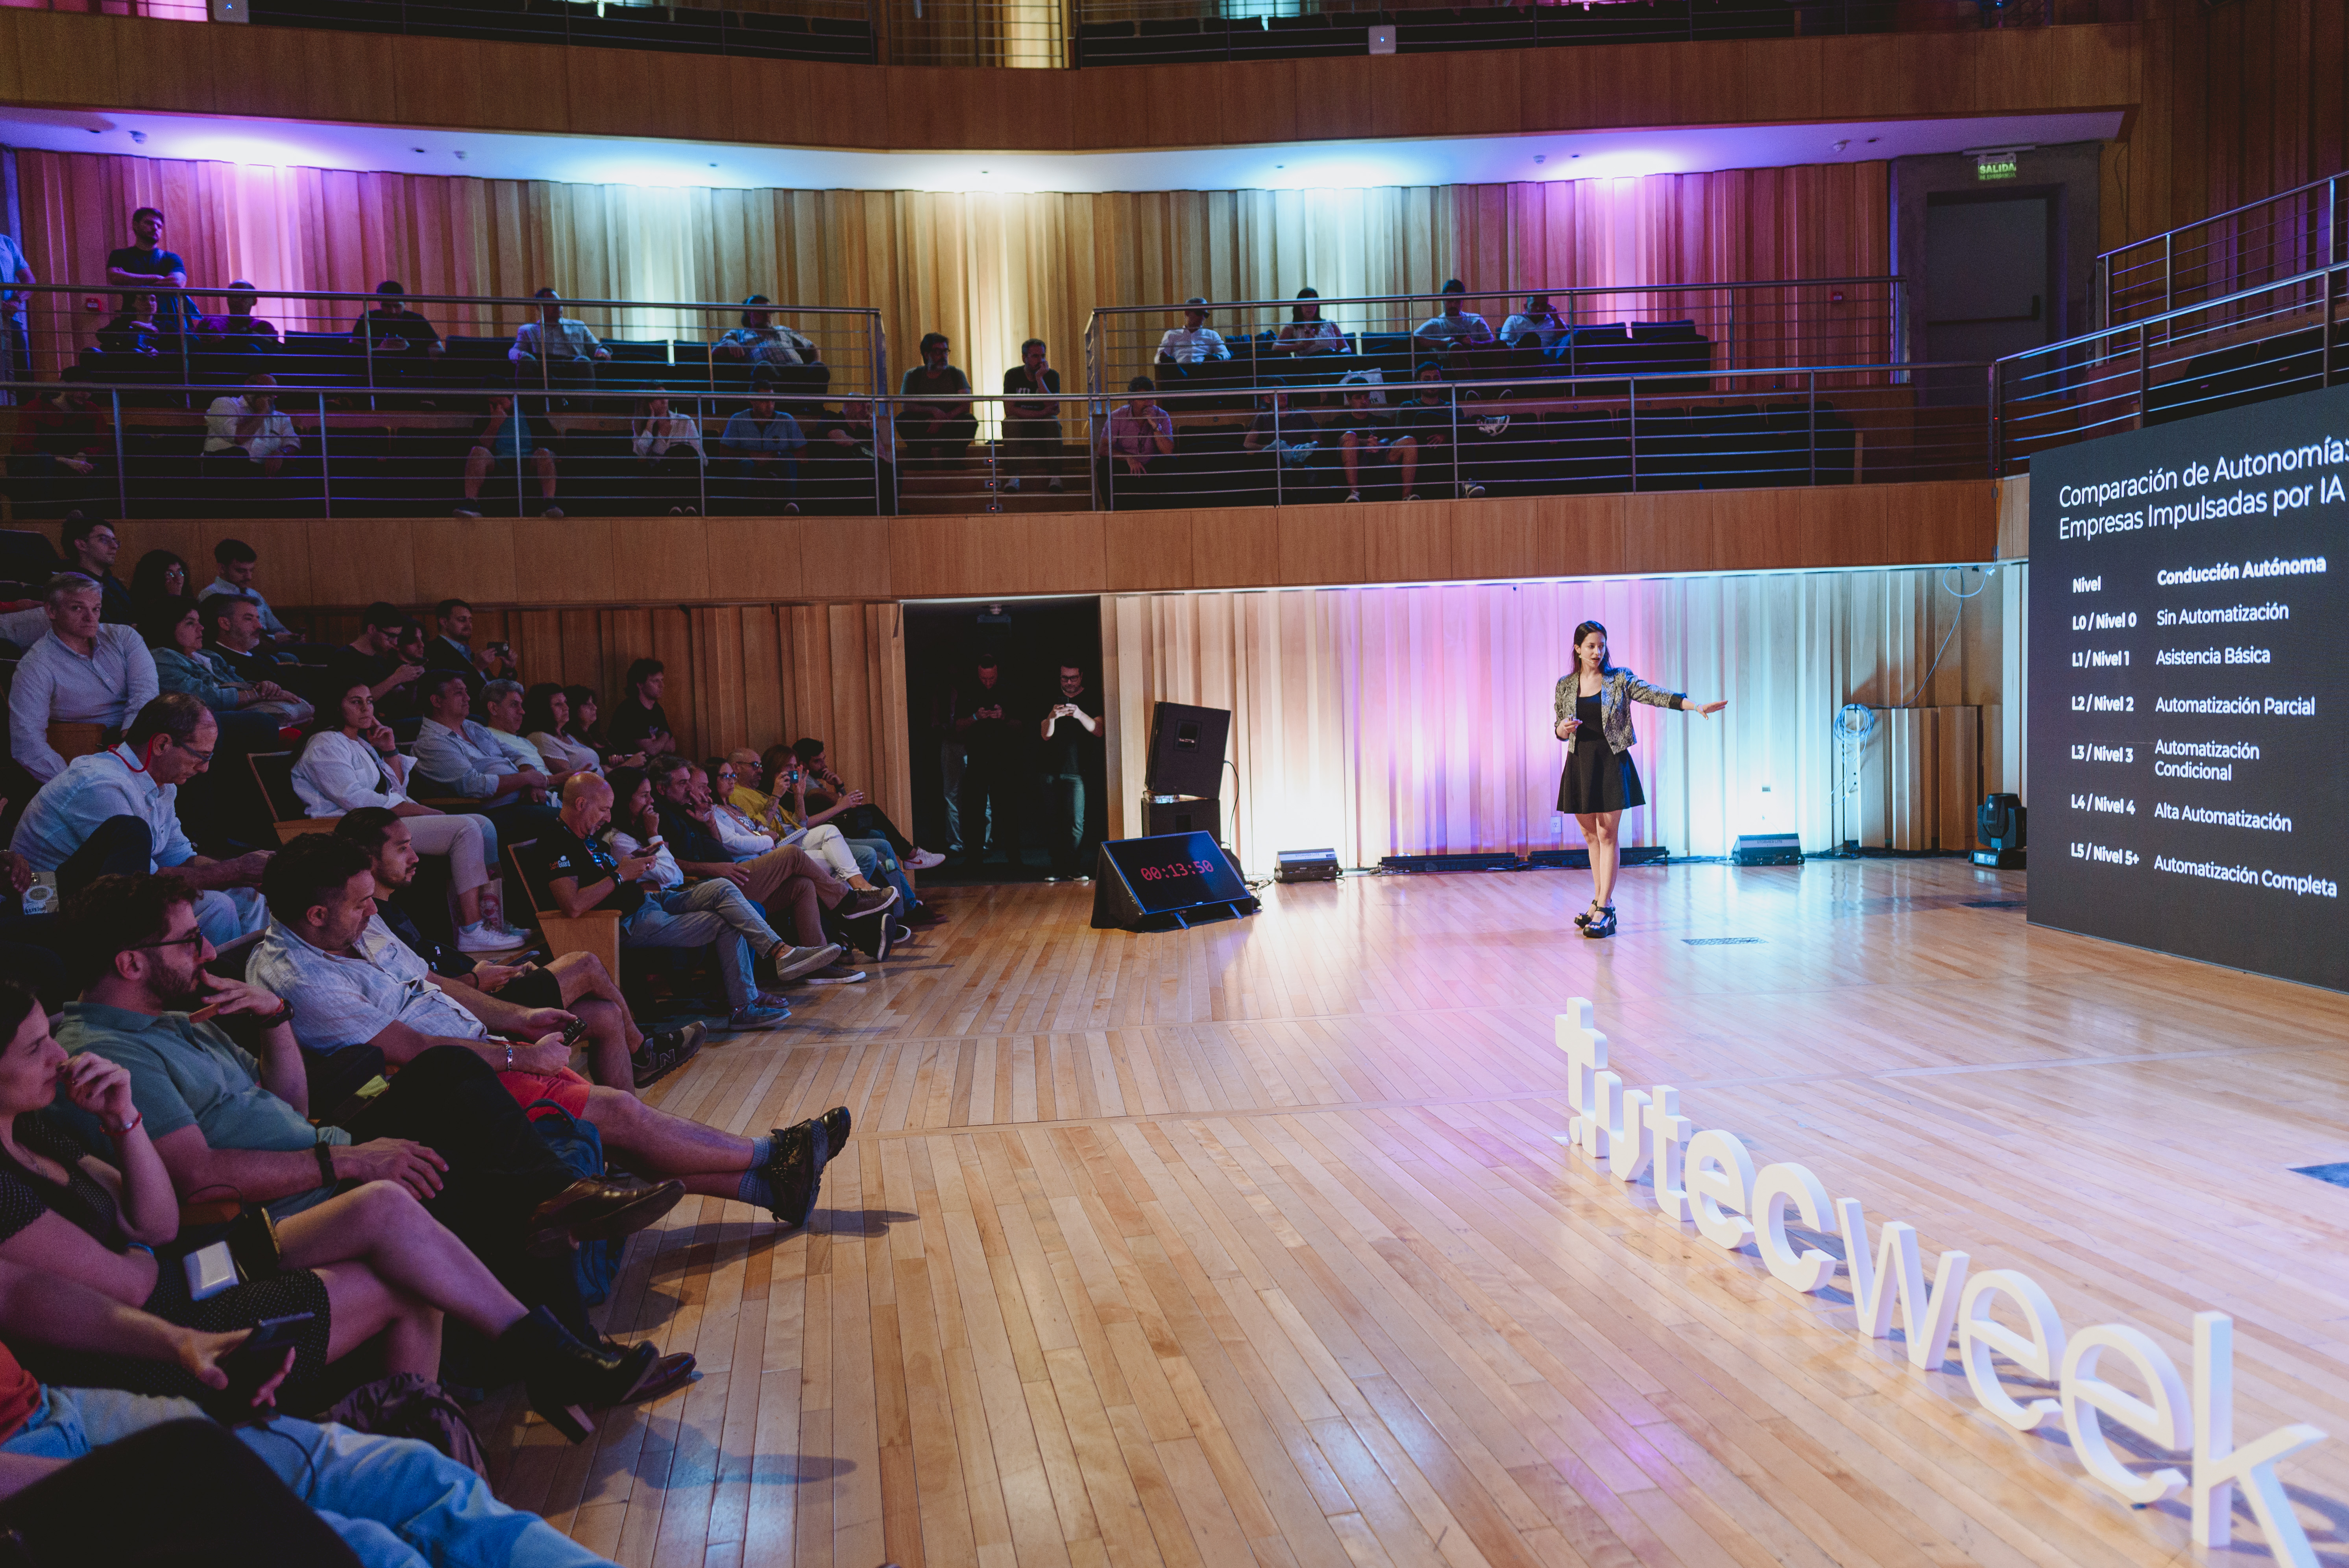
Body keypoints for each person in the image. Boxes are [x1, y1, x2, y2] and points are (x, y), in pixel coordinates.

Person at [59, 869, 699, 1410]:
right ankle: (568, 1352)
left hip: (321, 1158)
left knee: (476, 1117)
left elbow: (290, 1107)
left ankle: (567, 1283)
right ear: (131, 962)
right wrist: (348, 1161)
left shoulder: (178, 1020)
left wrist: (275, 1020)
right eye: (189, 940)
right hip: (278, 1210)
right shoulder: (112, 1054)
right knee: (497, 1182)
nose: (207, 952)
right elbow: (198, 1179)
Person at [0, 977, 665, 1424]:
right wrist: (223, 1245)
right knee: (409, 1272)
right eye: (34, 1047)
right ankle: (447, 1448)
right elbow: (136, 1284)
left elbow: (155, 1223)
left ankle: (543, 1363)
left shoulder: (35, 1132)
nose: (56, 1055)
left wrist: (124, 1122)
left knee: (386, 1204)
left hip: (191, 1266)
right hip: (151, 1332)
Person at [250, 834, 837, 1223]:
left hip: (477, 1052)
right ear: (317, 914)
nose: (373, 910)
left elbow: (433, 983)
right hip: (436, 1091)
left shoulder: (352, 927)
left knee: (619, 1120)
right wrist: (522, 1057)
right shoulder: (301, 978)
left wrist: (520, 1019)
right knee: (620, 1113)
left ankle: (771, 1185)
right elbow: (416, 1050)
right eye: (359, 904)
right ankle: (773, 1152)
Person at [0, 1255, 632, 1564]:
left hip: (62, 1406)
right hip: (23, 1472)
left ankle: (552, 1352)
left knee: (415, 1474)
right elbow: (140, 1263)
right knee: (366, 1549)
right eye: (33, 1048)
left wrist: (180, 1340)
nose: (53, 1055)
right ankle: (554, 1355)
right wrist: (107, 1484)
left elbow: (18, 1286)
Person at [337, 808, 704, 1090]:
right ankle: (642, 1052)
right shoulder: (366, 922)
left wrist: (491, 973)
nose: (416, 857)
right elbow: (417, 990)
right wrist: (476, 980)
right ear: (368, 857)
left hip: (482, 988)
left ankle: (626, 1132)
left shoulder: (388, 910)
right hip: (470, 1009)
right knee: (585, 963)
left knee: (606, 1016)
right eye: (403, 849)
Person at [540, 774, 835, 1032]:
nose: (607, 817)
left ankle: (782, 952)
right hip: (627, 922)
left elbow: (605, 877)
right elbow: (573, 905)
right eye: (604, 810)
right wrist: (620, 875)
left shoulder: (588, 838)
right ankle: (744, 1006)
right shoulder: (556, 841)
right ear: (581, 804)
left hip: (650, 900)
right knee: (726, 921)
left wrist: (632, 863)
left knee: (723, 886)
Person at [10, 694, 271, 943]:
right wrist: (235, 869)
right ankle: (208, 973)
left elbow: (180, 858)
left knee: (249, 894)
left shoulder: (163, 786)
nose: (205, 768)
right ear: (162, 744)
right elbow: (145, 881)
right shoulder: (100, 784)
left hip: (98, 890)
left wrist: (247, 875)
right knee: (217, 905)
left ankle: (248, 972)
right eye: (201, 756)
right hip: (45, 903)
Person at [292, 679, 517, 951]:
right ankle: (472, 929)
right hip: (348, 826)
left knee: (484, 825)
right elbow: (356, 799)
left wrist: (389, 750)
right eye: (356, 702)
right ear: (337, 707)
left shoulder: (360, 743)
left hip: (376, 820)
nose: (366, 708)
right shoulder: (324, 743)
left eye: (369, 701)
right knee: (466, 828)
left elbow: (396, 790)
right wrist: (420, 809)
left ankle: (493, 920)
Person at [1552, 619, 1726, 939]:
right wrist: (1562, 729)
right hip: (1579, 763)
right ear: (1577, 649)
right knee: (1590, 836)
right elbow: (1559, 728)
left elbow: (1652, 694)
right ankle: (1598, 899)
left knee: (1607, 834)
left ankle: (1606, 908)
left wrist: (1694, 706)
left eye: (1601, 645)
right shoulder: (1565, 685)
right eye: (1590, 646)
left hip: (1610, 761)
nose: (1597, 652)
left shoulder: (1619, 679)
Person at [650, 756, 893, 977]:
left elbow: (718, 847)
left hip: (735, 875)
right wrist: (717, 868)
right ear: (662, 788)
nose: (698, 790)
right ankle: (851, 904)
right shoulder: (662, 816)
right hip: (717, 886)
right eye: (686, 784)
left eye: (695, 784)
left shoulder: (693, 810)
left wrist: (710, 822)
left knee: (802, 885)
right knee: (793, 855)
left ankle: (819, 964)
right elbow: (670, 863)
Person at [7, 573, 158, 785]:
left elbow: (146, 690)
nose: (90, 618)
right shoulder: (36, 665)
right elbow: (26, 741)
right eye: (77, 608)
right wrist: (73, 784)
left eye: (96, 609)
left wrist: (134, 736)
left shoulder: (124, 637)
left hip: (141, 734)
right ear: (52, 611)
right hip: (90, 752)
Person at [412, 672, 561, 844]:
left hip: (526, 801)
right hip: (491, 814)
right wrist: (527, 779)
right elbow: (475, 786)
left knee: (584, 808)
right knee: (572, 822)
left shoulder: (473, 726)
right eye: (459, 693)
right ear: (437, 701)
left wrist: (532, 781)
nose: (468, 698)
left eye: (467, 692)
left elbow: (517, 755)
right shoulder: (432, 743)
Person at [144, 597, 310, 743]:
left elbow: (238, 683)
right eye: (190, 623)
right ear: (166, 627)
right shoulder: (161, 658)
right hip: (203, 719)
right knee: (264, 723)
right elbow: (202, 698)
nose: (201, 628)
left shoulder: (208, 655)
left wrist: (264, 687)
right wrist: (258, 694)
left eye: (199, 621)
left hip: (238, 711)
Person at [951, 656, 1023, 869]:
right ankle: (974, 859)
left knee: (1008, 810)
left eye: (992, 678)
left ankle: (1014, 858)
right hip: (977, 759)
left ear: (997, 672)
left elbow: (1022, 726)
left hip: (1004, 759)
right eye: (984, 679)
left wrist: (1004, 717)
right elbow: (957, 726)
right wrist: (976, 717)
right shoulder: (969, 691)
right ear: (978, 673)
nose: (988, 683)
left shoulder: (1009, 690)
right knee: (974, 810)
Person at [1037, 663, 1103, 881]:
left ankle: (1074, 866)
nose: (1069, 683)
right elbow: (1045, 735)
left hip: (1077, 771)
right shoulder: (1050, 698)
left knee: (1075, 823)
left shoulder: (1091, 698)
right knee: (1053, 822)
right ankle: (1057, 868)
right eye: (1065, 678)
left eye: (1073, 678)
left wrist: (1080, 714)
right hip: (1049, 770)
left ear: (1081, 676)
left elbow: (1099, 730)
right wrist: (1052, 717)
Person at [322, 602, 427, 728]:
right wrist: (396, 678)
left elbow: (404, 703)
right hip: (363, 725)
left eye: (398, 637)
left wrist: (413, 681)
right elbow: (358, 702)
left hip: (388, 721)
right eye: (391, 636)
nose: (395, 642)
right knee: (427, 725)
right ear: (372, 629)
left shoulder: (379, 661)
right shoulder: (344, 658)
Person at [458, 392, 561, 519]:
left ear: (512, 399)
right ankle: (471, 504)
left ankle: (549, 503)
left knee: (544, 453)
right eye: (493, 404)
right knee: (477, 452)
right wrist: (494, 425)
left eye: (502, 403)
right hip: (499, 463)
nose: (499, 407)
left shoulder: (533, 415)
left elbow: (553, 447)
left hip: (529, 462)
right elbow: (480, 449)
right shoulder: (485, 418)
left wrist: (549, 456)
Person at [205, 538, 312, 654]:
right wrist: (275, 639)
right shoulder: (211, 596)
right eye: (241, 571)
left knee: (321, 651)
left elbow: (276, 627)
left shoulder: (254, 594)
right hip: (245, 651)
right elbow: (225, 638)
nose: (249, 577)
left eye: (251, 571)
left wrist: (292, 637)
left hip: (271, 646)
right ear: (222, 568)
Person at [717, 380, 804, 514]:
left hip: (778, 465)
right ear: (752, 400)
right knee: (745, 465)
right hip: (750, 464)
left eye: (773, 400)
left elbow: (804, 454)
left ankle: (790, 506)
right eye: (764, 401)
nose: (770, 405)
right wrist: (749, 455)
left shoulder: (786, 420)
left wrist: (777, 456)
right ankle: (743, 513)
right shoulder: (738, 420)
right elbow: (723, 454)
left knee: (787, 459)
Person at [102, 208, 187, 341]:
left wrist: (130, 280)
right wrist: (156, 278)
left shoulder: (171, 258)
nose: (155, 228)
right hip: (131, 322)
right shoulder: (120, 255)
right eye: (149, 223)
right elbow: (115, 277)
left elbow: (177, 283)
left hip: (168, 325)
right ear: (135, 225)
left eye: (159, 226)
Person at [1331, 380, 1418, 503]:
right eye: (1358, 398)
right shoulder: (1340, 422)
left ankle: (1407, 496)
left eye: (1366, 397)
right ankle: (1354, 494)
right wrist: (1365, 443)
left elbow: (1390, 438)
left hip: (1380, 456)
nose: (1364, 401)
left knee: (1410, 441)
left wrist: (1380, 444)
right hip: (1355, 458)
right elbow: (1338, 442)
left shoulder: (1381, 421)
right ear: (1349, 399)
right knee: (1350, 436)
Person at [201, 373, 301, 476]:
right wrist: (261, 412)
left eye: (273, 393)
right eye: (265, 390)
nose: (270, 397)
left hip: (262, 469)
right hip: (225, 465)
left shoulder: (281, 418)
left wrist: (282, 452)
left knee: (294, 472)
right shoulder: (225, 404)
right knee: (238, 454)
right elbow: (238, 438)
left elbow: (294, 444)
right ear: (248, 385)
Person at [897, 332, 976, 464]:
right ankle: (923, 461)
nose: (944, 356)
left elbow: (965, 405)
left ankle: (953, 461)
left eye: (946, 351)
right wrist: (933, 411)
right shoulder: (913, 375)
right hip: (925, 426)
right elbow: (907, 405)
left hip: (950, 426)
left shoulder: (956, 374)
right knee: (903, 419)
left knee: (969, 421)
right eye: (938, 352)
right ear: (927, 354)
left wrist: (942, 419)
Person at [818, 396, 897, 514]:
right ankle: (862, 516)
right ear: (847, 404)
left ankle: (887, 518)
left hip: (865, 468)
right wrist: (869, 453)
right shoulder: (832, 417)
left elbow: (881, 456)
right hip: (836, 467)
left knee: (891, 470)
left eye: (868, 407)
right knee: (865, 466)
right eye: (861, 404)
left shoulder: (863, 430)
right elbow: (841, 440)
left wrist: (873, 429)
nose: (865, 409)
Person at [9, 388, 108, 481]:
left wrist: (84, 453)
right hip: (42, 465)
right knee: (42, 461)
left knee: (97, 469)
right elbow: (23, 447)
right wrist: (64, 461)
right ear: (64, 384)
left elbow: (106, 445)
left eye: (89, 390)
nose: (85, 394)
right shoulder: (36, 407)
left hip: (77, 464)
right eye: (79, 388)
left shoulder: (92, 409)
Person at [508, 288, 607, 378]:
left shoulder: (579, 326)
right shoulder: (527, 330)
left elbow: (597, 347)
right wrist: (520, 356)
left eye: (559, 302)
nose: (558, 306)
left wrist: (603, 351)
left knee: (584, 361)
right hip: (542, 369)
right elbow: (516, 350)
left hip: (572, 367)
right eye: (552, 303)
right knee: (526, 361)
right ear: (539, 307)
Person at [1104, 376, 1174, 498]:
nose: (1148, 403)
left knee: (1171, 463)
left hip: (1152, 465)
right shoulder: (1118, 416)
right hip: (1127, 466)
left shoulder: (1162, 415)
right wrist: (1128, 458)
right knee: (1104, 465)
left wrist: (1155, 426)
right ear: (1132, 400)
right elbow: (1103, 449)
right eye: (1142, 399)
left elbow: (1168, 451)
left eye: (1151, 398)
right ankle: (1113, 508)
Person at [711, 296, 820, 369]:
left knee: (819, 370)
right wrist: (729, 343)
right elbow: (715, 352)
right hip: (767, 376)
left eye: (769, 311)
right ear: (749, 312)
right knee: (764, 367)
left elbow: (811, 347)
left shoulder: (783, 330)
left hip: (796, 370)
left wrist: (815, 364)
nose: (767, 315)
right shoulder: (738, 334)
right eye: (762, 311)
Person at [59, 518, 132, 626]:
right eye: (104, 540)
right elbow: (100, 627)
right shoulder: (72, 587)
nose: (115, 546)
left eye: (115, 541)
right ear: (82, 545)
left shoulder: (112, 581)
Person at [351, 280, 442, 362]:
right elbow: (352, 351)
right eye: (387, 306)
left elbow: (439, 352)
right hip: (378, 369)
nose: (393, 311)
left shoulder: (417, 320)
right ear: (380, 303)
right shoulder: (368, 318)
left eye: (397, 306)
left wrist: (410, 349)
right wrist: (379, 349)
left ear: (405, 303)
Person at [523, 683, 601, 779]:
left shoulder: (566, 735)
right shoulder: (540, 737)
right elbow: (567, 777)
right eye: (558, 704)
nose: (566, 708)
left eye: (565, 702)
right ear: (543, 709)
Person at [606, 657, 675, 759]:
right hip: (630, 765)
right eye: (656, 681)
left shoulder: (657, 709)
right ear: (640, 684)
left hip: (654, 763)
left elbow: (671, 747)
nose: (662, 685)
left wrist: (658, 740)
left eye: (662, 680)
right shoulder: (629, 710)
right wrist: (665, 735)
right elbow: (652, 750)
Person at [562, 684, 642, 772]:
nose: (595, 708)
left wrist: (618, 760)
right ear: (574, 708)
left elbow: (611, 763)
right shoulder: (572, 741)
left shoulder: (596, 735)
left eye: (593, 703)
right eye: (587, 704)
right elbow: (597, 773)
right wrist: (629, 765)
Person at [194, 282, 280, 359]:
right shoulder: (209, 321)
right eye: (232, 296)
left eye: (241, 296)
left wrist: (225, 341)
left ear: (254, 301)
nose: (235, 301)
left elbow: (272, 353)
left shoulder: (263, 327)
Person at [1413, 279, 1494, 354]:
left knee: (1499, 344)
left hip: (1476, 360)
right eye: (1450, 300)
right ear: (1443, 300)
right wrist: (1444, 342)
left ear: (1463, 301)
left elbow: (1492, 342)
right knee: (1456, 347)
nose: (1454, 305)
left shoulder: (1476, 319)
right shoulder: (1436, 323)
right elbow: (1415, 337)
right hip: (1447, 362)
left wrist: (1474, 343)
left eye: (1458, 301)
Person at [1243, 388, 1317, 468]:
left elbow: (1319, 442)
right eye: (1277, 393)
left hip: (1301, 456)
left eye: (1284, 392)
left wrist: (1299, 447)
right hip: (1275, 460)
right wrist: (1274, 447)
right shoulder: (1262, 418)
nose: (1283, 396)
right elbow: (1248, 444)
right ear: (1267, 399)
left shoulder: (1302, 415)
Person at [0, 227, 31, 397]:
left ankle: (23, 409)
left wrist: (16, 300)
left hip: (9, 318)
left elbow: (29, 280)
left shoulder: (6, 242)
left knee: (21, 372)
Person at [1273, 288, 1345, 356]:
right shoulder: (1293, 327)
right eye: (1306, 303)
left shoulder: (1330, 324)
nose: (1310, 307)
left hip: (1332, 359)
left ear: (1317, 306)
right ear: (1300, 305)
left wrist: (1340, 356)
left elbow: (1346, 348)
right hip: (1310, 362)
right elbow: (1275, 347)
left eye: (1313, 303)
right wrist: (1300, 346)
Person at [1155, 298, 1229, 366]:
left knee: (1211, 361)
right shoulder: (1172, 335)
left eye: (1206, 315)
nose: (1202, 317)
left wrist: (1217, 358)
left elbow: (1226, 354)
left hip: (1203, 369)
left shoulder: (1212, 335)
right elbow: (1159, 358)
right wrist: (1164, 359)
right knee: (1169, 361)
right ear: (1187, 313)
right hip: (1180, 369)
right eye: (1199, 313)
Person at [128, 550, 189, 627]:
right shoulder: (141, 610)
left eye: (180, 572)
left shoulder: (189, 601)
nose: (178, 579)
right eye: (169, 574)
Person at [94, 295, 163, 360]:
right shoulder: (122, 323)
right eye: (143, 299)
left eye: (153, 300)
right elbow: (101, 336)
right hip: (120, 360)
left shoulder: (164, 326)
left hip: (152, 362)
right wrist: (132, 324)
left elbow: (169, 348)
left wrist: (158, 352)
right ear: (133, 303)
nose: (149, 303)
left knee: (137, 354)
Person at [1501, 293, 1567, 350]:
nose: (1539, 309)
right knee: (1531, 338)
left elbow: (1567, 340)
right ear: (1526, 307)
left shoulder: (1555, 320)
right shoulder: (1514, 320)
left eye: (1543, 305)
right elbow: (1504, 343)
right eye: (1535, 305)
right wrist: (1516, 346)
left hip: (1548, 356)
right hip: (1523, 355)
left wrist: (1556, 318)